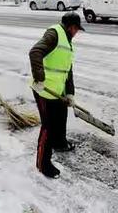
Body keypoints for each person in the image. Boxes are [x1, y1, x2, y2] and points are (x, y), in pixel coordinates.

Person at [29, 11, 84, 179]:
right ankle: (43, 164)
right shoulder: (54, 34)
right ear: (71, 27)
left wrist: (70, 93)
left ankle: (60, 144)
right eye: (76, 29)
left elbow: (67, 70)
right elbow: (35, 52)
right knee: (48, 126)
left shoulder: (67, 41)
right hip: (44, 90)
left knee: (61, 116)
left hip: (57, 90)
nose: (77, 33)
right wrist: (39, 78)